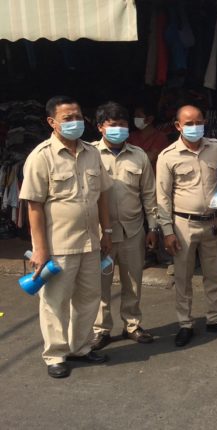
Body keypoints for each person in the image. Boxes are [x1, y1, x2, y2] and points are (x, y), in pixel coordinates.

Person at [20, 96, 113, 378]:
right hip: (58, 246)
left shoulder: (92, 153)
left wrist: (106, 232)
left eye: (78, 117)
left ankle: (80, 347)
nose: (75, 122)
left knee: (89, 299)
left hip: (90, 242)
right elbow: (34, 206)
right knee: (55, 302)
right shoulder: (41, 156)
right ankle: (56, 355)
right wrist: (40, 249)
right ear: (52, 122)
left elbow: (102, 197)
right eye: (67, 118)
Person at [156, 104, 217, 347]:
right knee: (183, 276)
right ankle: (185, 323)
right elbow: (162, 197)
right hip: (183, 224)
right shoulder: (167, 156)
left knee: (213, 274)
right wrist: (167, 231)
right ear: (178, 126)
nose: (194, 127)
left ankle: (214, 318)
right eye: (189, 123)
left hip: (212, 223)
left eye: (198, 122)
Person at [90, 102, 159, 350]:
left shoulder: (139, 155)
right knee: (101, 283)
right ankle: (101, 329)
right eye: (113, 124)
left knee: (133, 280)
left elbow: (149, 194)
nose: (119, 129)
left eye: (122, 124)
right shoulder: (89, 154)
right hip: (101, 234)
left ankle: (132, 324)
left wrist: (153, 227)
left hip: (133, 231)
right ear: (100, 127)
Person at [129, 102, 170, 170]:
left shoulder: (160, 137)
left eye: (139, 116)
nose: (135, 119)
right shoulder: (132, 136)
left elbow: (149, 157)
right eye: (135, 116)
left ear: (150, 119)